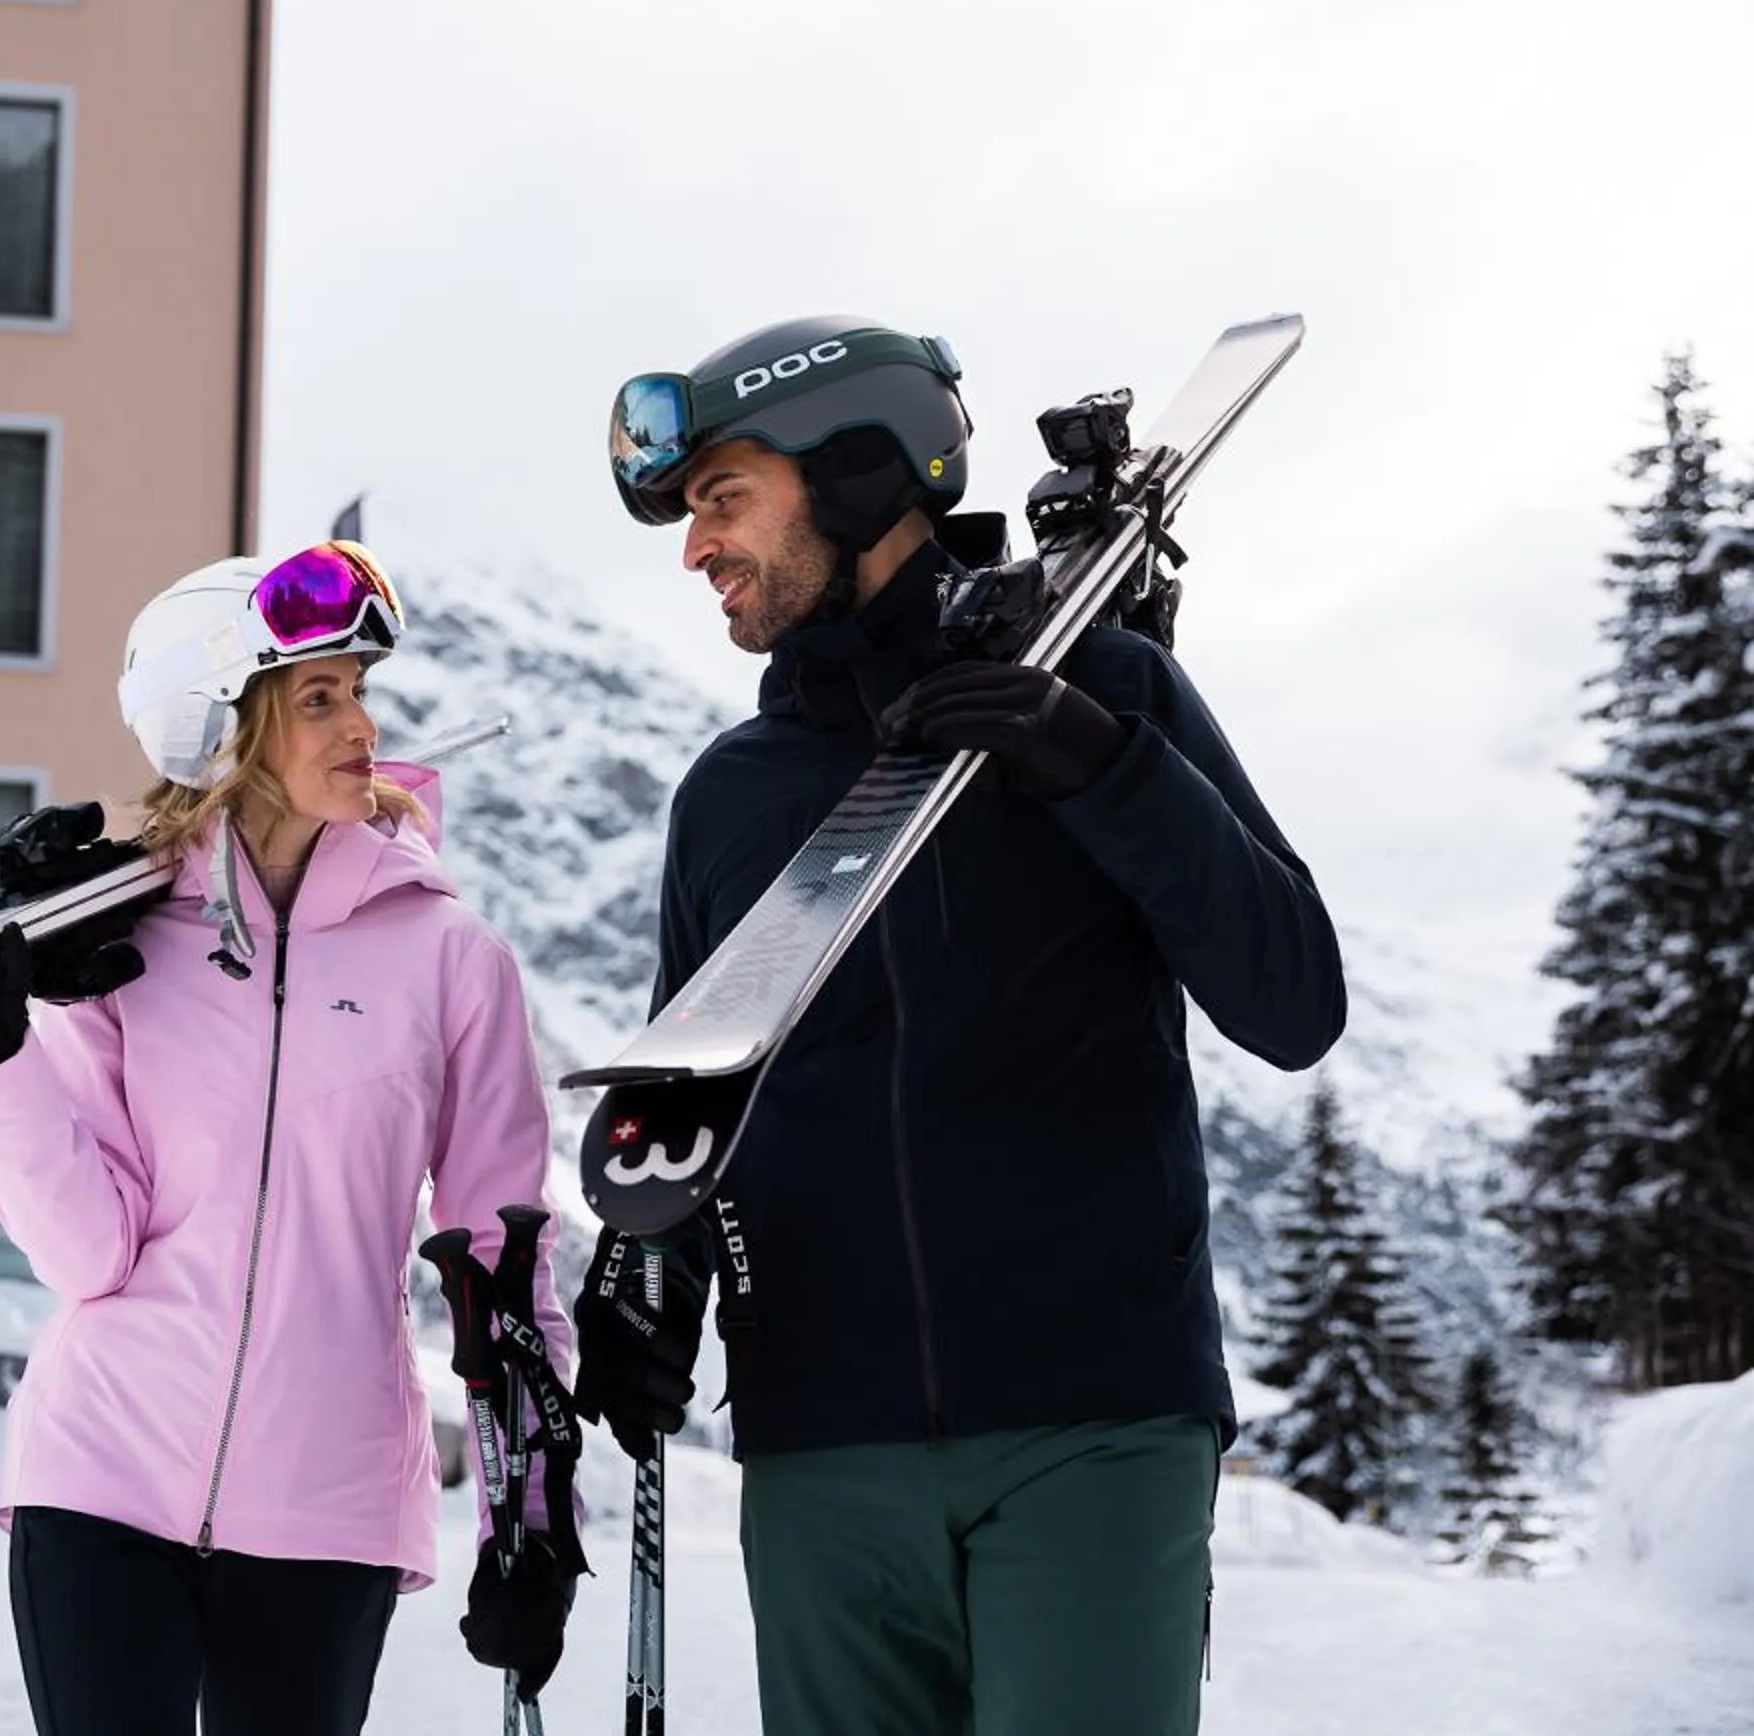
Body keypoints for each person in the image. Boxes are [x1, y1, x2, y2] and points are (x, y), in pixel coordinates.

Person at [568, 316, 1349, 1736]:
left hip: (1093, 1425)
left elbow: (1292, 999)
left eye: (723, 501)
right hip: (822, 1451)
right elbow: (696, 1109)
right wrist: (645, 1273)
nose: (696, 552)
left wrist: (1101, 766)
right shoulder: (733, 800)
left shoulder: (1106, 690)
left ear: (862, 475)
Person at [0, 539, 584, 1736]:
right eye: (318, 695)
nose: (358, 721)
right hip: (100, 1473)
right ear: (221, 725)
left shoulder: (451, 958)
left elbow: (501, 1259)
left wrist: (530, 1519)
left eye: (359, 689)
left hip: (329, 1499)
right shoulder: (122, 938)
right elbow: (87, 1251)